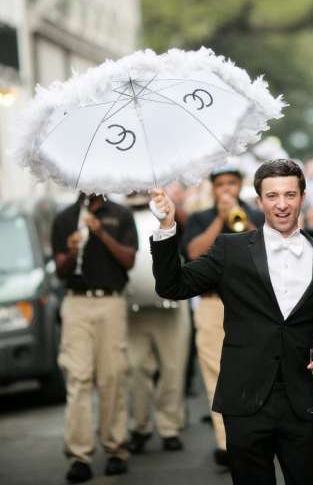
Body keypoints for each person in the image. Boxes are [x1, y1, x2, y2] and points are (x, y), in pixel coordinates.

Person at [150, 159, 313, 485]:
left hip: (301, 400)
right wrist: (168, 226)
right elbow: (172, 286)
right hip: (243, 400)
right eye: (272, 196)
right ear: (259, 201)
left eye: (289, 195)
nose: (281, 205)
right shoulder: (232, 248)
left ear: (302, 196)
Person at [51, 194, 138, 483]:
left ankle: (116, 448)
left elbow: (128, 260)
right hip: (76, 303)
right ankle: (79, 456)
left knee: (112, 375)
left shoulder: (121, 215)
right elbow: (60, 269)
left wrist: (100, 233)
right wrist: (72, 251)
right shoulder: (64, 218)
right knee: (78, 377)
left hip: (111, 301)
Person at [182, 164, 264, 467]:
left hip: (251, 306)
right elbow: (194, 253)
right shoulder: (199, 219)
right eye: (221, 184)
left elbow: (266, 249)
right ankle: (226, 443)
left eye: (232, 183)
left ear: (240, 184)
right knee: (216, 375)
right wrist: (220, 218)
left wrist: (238, 215)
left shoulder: (255, 215)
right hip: (212, 304)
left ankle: (252, 437)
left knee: (254, 372)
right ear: (213, 188)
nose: (226, 189)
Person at [126, 191, 191, 454]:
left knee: (172, 367)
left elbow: (186, 226)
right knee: (135, 368)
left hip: (171, 305)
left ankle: (169, 426)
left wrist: (168, 202)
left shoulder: (165, 204)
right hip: (133, 307)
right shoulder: (119, 213)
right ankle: (139, 425)